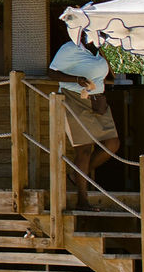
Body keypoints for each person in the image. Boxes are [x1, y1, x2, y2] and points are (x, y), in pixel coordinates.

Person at [51, 41, 120, 204]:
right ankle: (82, 198)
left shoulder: (97, 50)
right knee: (84, 150)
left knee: (112, 144)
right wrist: (77, 79)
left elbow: (108, 74)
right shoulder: (69, 48)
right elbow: (51, 73)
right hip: (74, 98)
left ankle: (78, 175)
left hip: (97, 101)